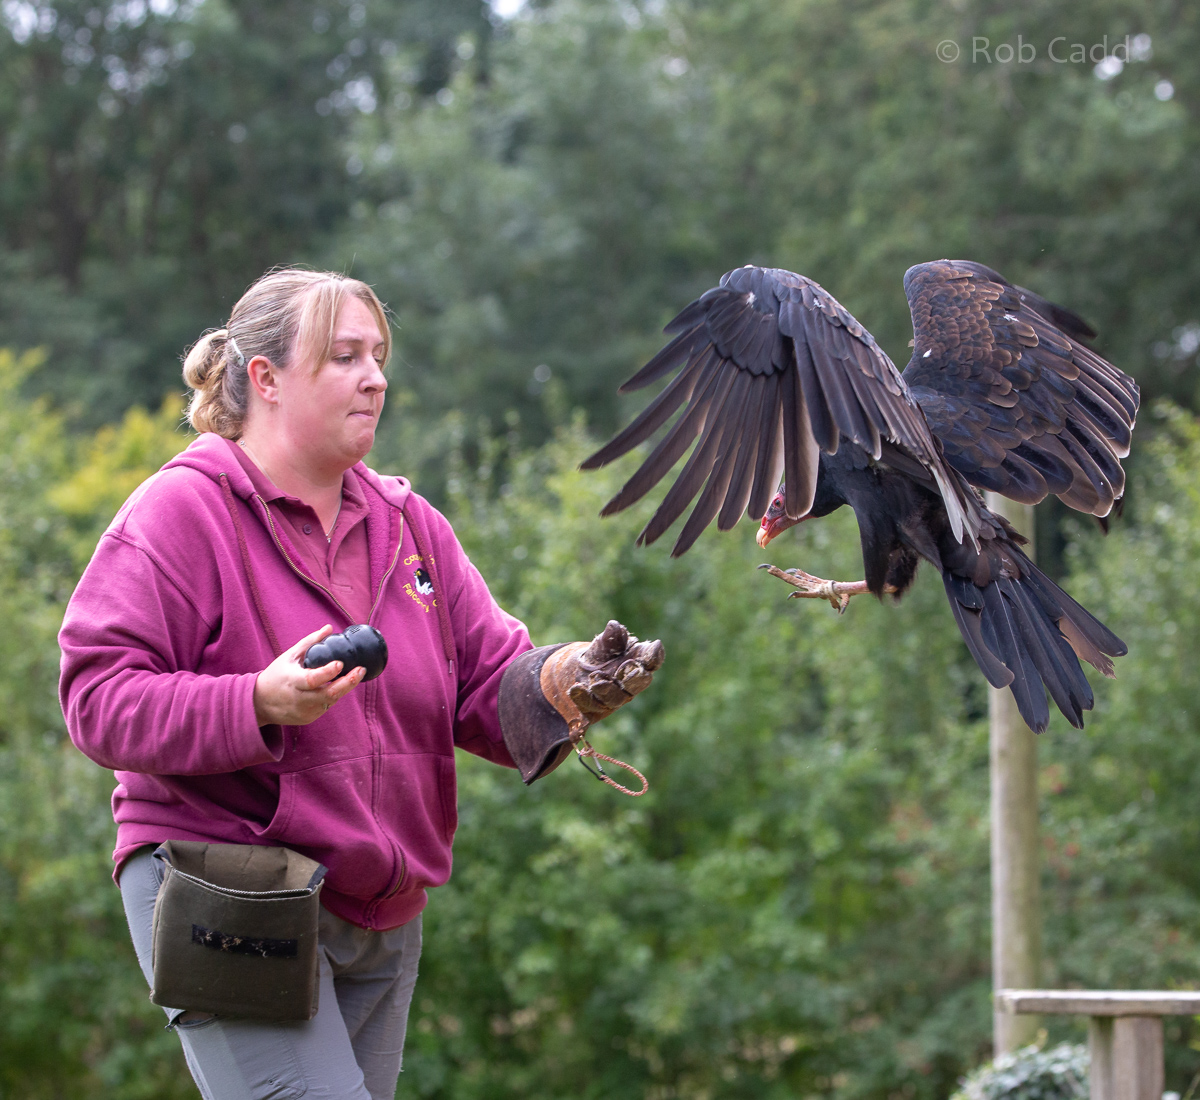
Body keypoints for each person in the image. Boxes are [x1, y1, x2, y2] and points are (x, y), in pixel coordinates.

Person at [58, 268, 663, 1100]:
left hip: (380, 903)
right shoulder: (179, 513)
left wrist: (567, 682)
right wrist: (255, 702)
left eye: (378, 355)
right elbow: (97, 700)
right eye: (344, 356)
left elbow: (487, 682)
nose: (375, 376)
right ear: (264, 379)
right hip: (228, 887)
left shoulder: (412, 527)